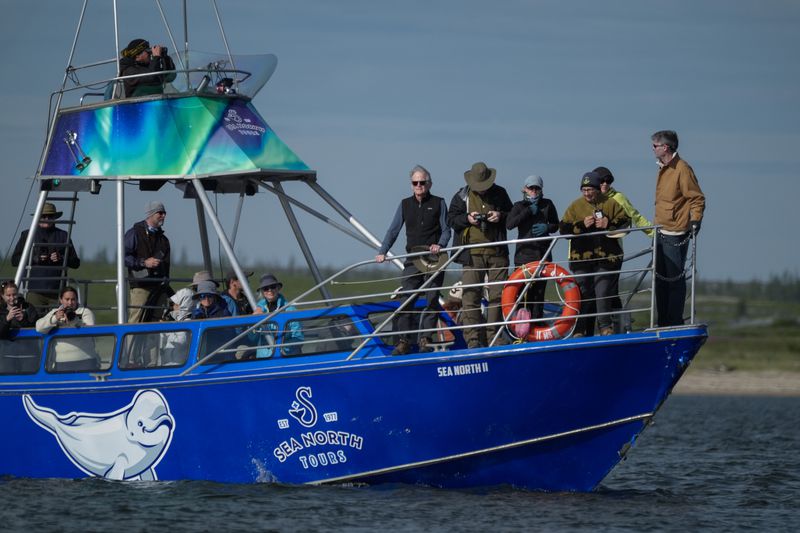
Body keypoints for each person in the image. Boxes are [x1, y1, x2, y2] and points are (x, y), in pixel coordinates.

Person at [376, 165, 451, 355]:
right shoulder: (404, 204)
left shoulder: (439, 202)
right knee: (406, 297)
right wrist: (383, 251)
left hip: (434, 258)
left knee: (432, 297)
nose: (419, 186)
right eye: (415, 183)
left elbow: (446, 229)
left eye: (422, 182)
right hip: (412, 258)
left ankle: (425, 338)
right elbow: (393, 230)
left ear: (429, 183)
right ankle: (403, 341)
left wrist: (440, 244)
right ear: (411, 186)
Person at [447, 161, 513, 349]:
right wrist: (467, 219)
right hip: (471, 254)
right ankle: (473, 340)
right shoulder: (462, 195)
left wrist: (499, 216)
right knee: (470, 296)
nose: (482, 190)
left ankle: (495, 339)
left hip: (497, 252)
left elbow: (512, 216)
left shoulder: (500, 193)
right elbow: (451, 219)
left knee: (497, 296)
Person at [560, 172, 630, 337]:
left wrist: (609, 224)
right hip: (581, 259)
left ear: (598, 189)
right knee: (582, 291)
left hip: (607, 258)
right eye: (583, 190)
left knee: (603, 291)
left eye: (590, 189)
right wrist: (581, 225)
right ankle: (579, 329)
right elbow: (563, 228)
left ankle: (605, 328)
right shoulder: (575, 206)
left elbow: (626, 221)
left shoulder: (611, 203)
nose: (586, 193)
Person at [651, 130, 706, 327]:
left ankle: (673, 321)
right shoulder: (663, 168)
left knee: (674, 279)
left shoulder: (682, 168)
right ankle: (663, 320)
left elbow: (697, 197)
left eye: (655, 146)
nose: (653, 149)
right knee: (659, 280)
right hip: (660, 229)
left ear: (665, 147)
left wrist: (695, 220)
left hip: (675, 232)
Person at [594, 166, 653, 333]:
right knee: (595, 293)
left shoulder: (619, 198)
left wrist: (654, 234)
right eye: (601, 180)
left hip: (613, 253)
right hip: (591, 256)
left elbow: (636, 217)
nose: (605, 184)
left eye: (608, 181)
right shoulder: (589, 199)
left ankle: (616, 329)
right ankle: (589, 333)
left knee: (610, 291)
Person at [505, 175, 560, 321]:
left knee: (538, 294)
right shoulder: (518, 206)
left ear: (541, 190)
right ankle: (520, 329)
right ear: (525, 189)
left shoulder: (547, 204)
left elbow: (556, 225)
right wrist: (528, 211)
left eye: (537, 188)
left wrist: (546, 227)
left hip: (543, 254)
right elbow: (509, 224)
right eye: (531, 188)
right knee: (521, 295)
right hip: (523, 256)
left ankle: (537, 324)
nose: (534, 191)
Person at [11, 202, 80, 310]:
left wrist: (61, 258)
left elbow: (76, 263)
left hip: (57, 292)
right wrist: (34, 259)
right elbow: (14, 260)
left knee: (59, 323)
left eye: (50, 216)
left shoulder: (63, 235)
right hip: (34, 292)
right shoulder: (27, 235)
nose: (47, 218)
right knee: (34, 321)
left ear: (55, 218)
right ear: (38, 217)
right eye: (43, 216)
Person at [124, 201, 172, 323]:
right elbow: (123, 256)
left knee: (156, 323)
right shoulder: (134, 233)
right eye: (160, 213)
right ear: (150, 214)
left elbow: (166, 267)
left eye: (164, 213)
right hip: (141, 287)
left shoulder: (164, 240)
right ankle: (130, 343)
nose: (164, 216)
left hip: (159, 289)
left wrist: (168, 291)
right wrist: (144, 263)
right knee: (136, 321)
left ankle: (152, 343)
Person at [35, 286, 97, 372]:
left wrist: (75, 320)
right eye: (67, 299)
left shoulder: (85, 312)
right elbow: (39, 328)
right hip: (62, 361)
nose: (70, 303)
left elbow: (91, 332)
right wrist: (54, 319)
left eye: (73, 299)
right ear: (61, 300)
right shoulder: (55, 312)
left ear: (77, 300)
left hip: (86, 359)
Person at [255, 274, 304, 357]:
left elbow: (298, 338)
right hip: (263, 359)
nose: (269, 290)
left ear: (278, 288)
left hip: (286, 357)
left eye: (272, 286)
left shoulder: (290, 310)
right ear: (262, 292)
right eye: (266, 288)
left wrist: (280, 348)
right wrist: (254, 321)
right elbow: (252, 338)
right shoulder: (257, 310)